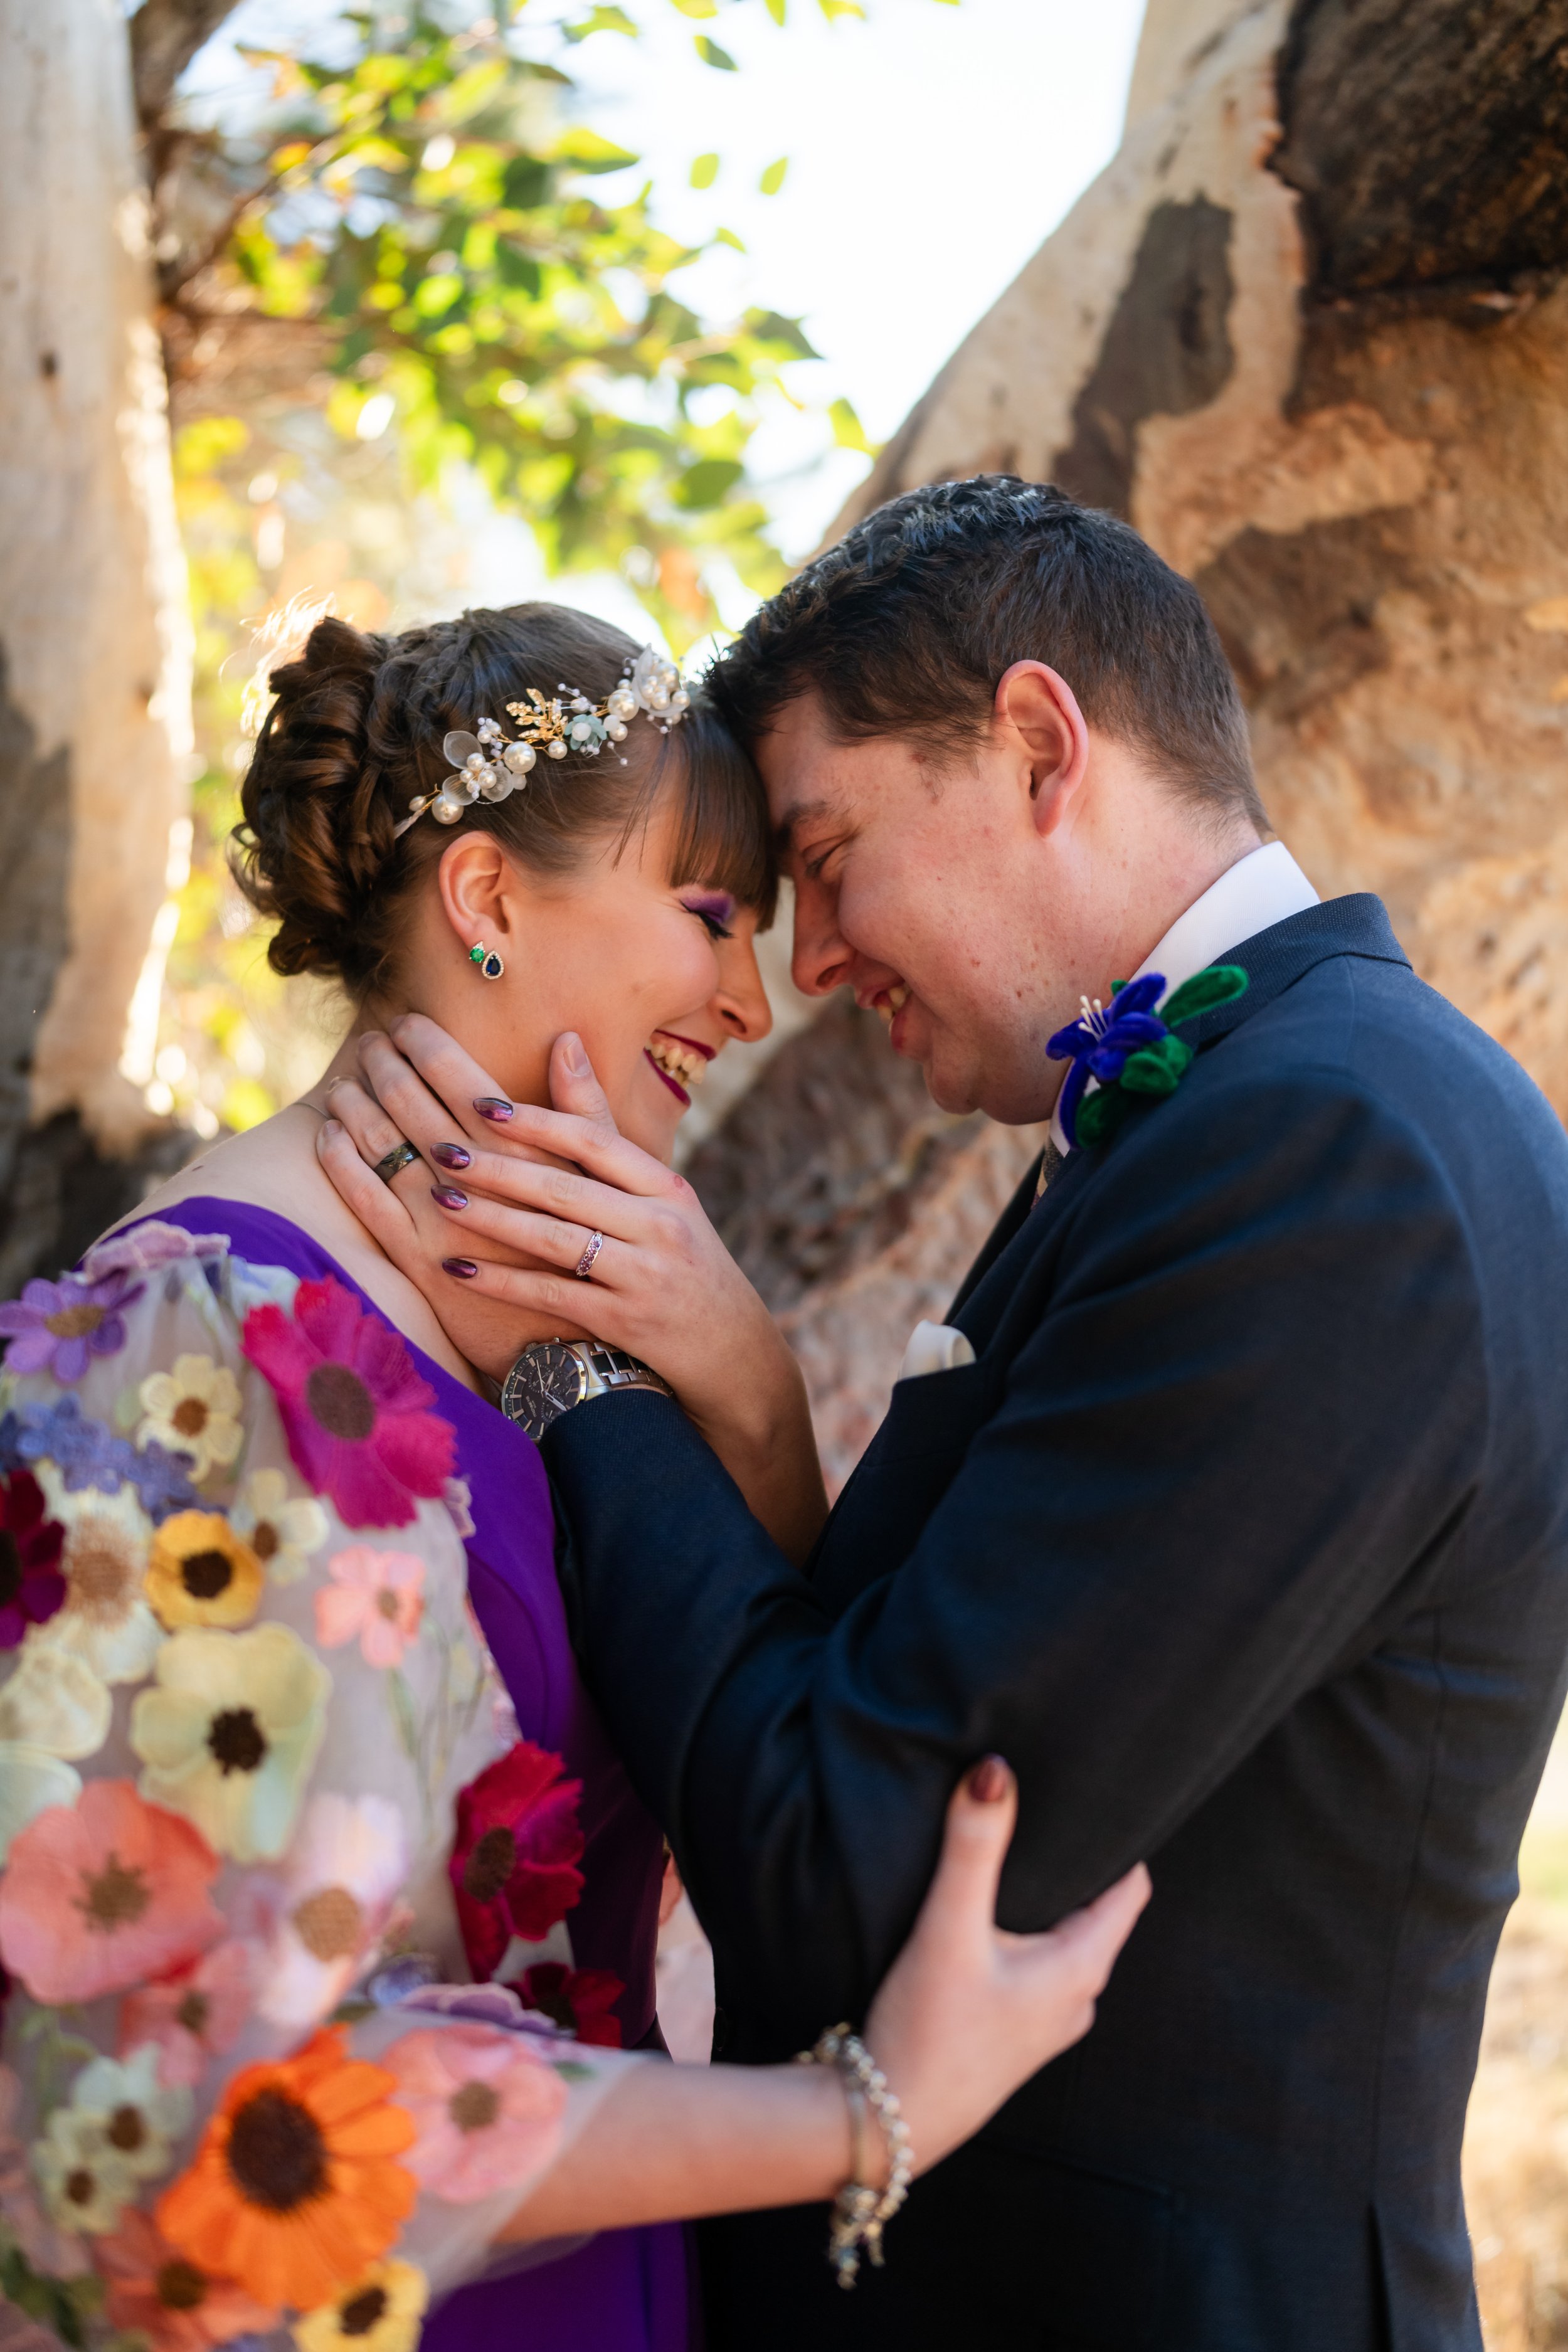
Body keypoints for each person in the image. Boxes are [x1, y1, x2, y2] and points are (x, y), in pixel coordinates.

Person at [319, 479, 1568, 2352]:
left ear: (1037, 747)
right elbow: (911, 1668)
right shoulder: (1239, 1116)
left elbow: (847, 1862)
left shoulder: (1327, 1154)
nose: (806, 963)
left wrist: (565, 1366)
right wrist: (731, 1373)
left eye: (824, 857)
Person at [0, 600, 1147, 2352]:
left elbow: (788, 1747)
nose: (753, 999)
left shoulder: (535, 1337)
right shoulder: (202, 1356)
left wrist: (744, 1382)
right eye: (706, 921)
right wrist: (866, 2113)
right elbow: (198, 2114)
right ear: (484, 899)